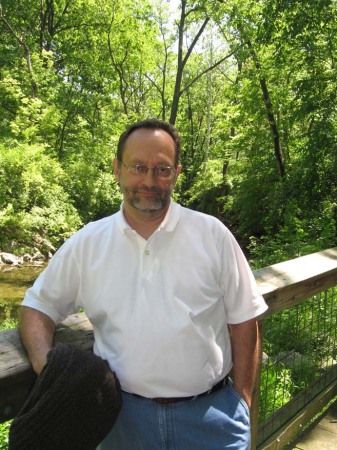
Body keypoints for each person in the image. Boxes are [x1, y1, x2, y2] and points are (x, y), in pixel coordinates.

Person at [19, 118, 268, 450]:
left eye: (162, 169)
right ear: (117, 169)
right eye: (138, 167)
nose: (149, 180)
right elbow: (38, 306)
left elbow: (244, 318)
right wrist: (48, 369)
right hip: (122, 422)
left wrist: (243, 400)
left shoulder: (213, 236)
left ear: (177, 173)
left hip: (211, 419)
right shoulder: (88, 243)